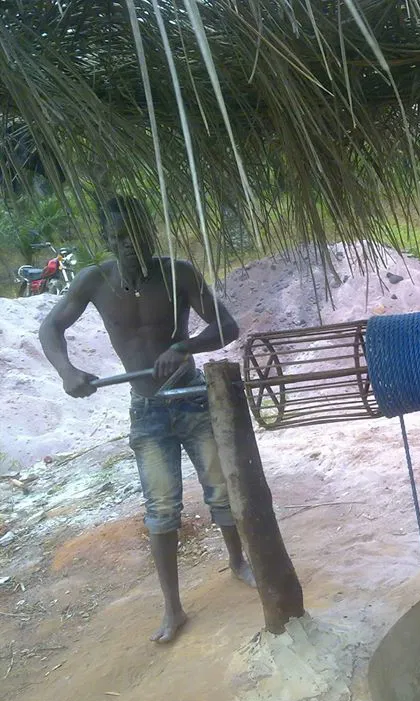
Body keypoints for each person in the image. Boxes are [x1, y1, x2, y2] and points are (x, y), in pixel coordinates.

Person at [38, 196, 256, 643]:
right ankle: (173, 608)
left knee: (220, 490)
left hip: (191, 397)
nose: (127, 245)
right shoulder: (94, 280)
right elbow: (50, 327)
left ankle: (238, 562)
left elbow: (227, 326)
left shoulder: (177, 273)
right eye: (118, 237)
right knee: (160, 509)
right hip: (146, 410)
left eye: (135, 236)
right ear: (107, 239)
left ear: (149, 235)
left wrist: (184, 347)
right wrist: (67, 372)